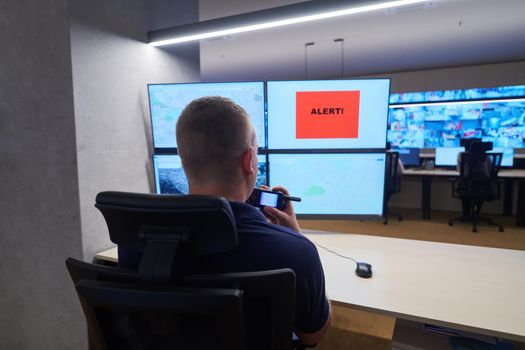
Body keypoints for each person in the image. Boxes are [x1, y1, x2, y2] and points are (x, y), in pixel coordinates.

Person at [119, 96, 331, 346]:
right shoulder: (296, 253)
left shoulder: (134, 241)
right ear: (249, 160)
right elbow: (312, 335)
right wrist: (295, 236)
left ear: (183, 157)